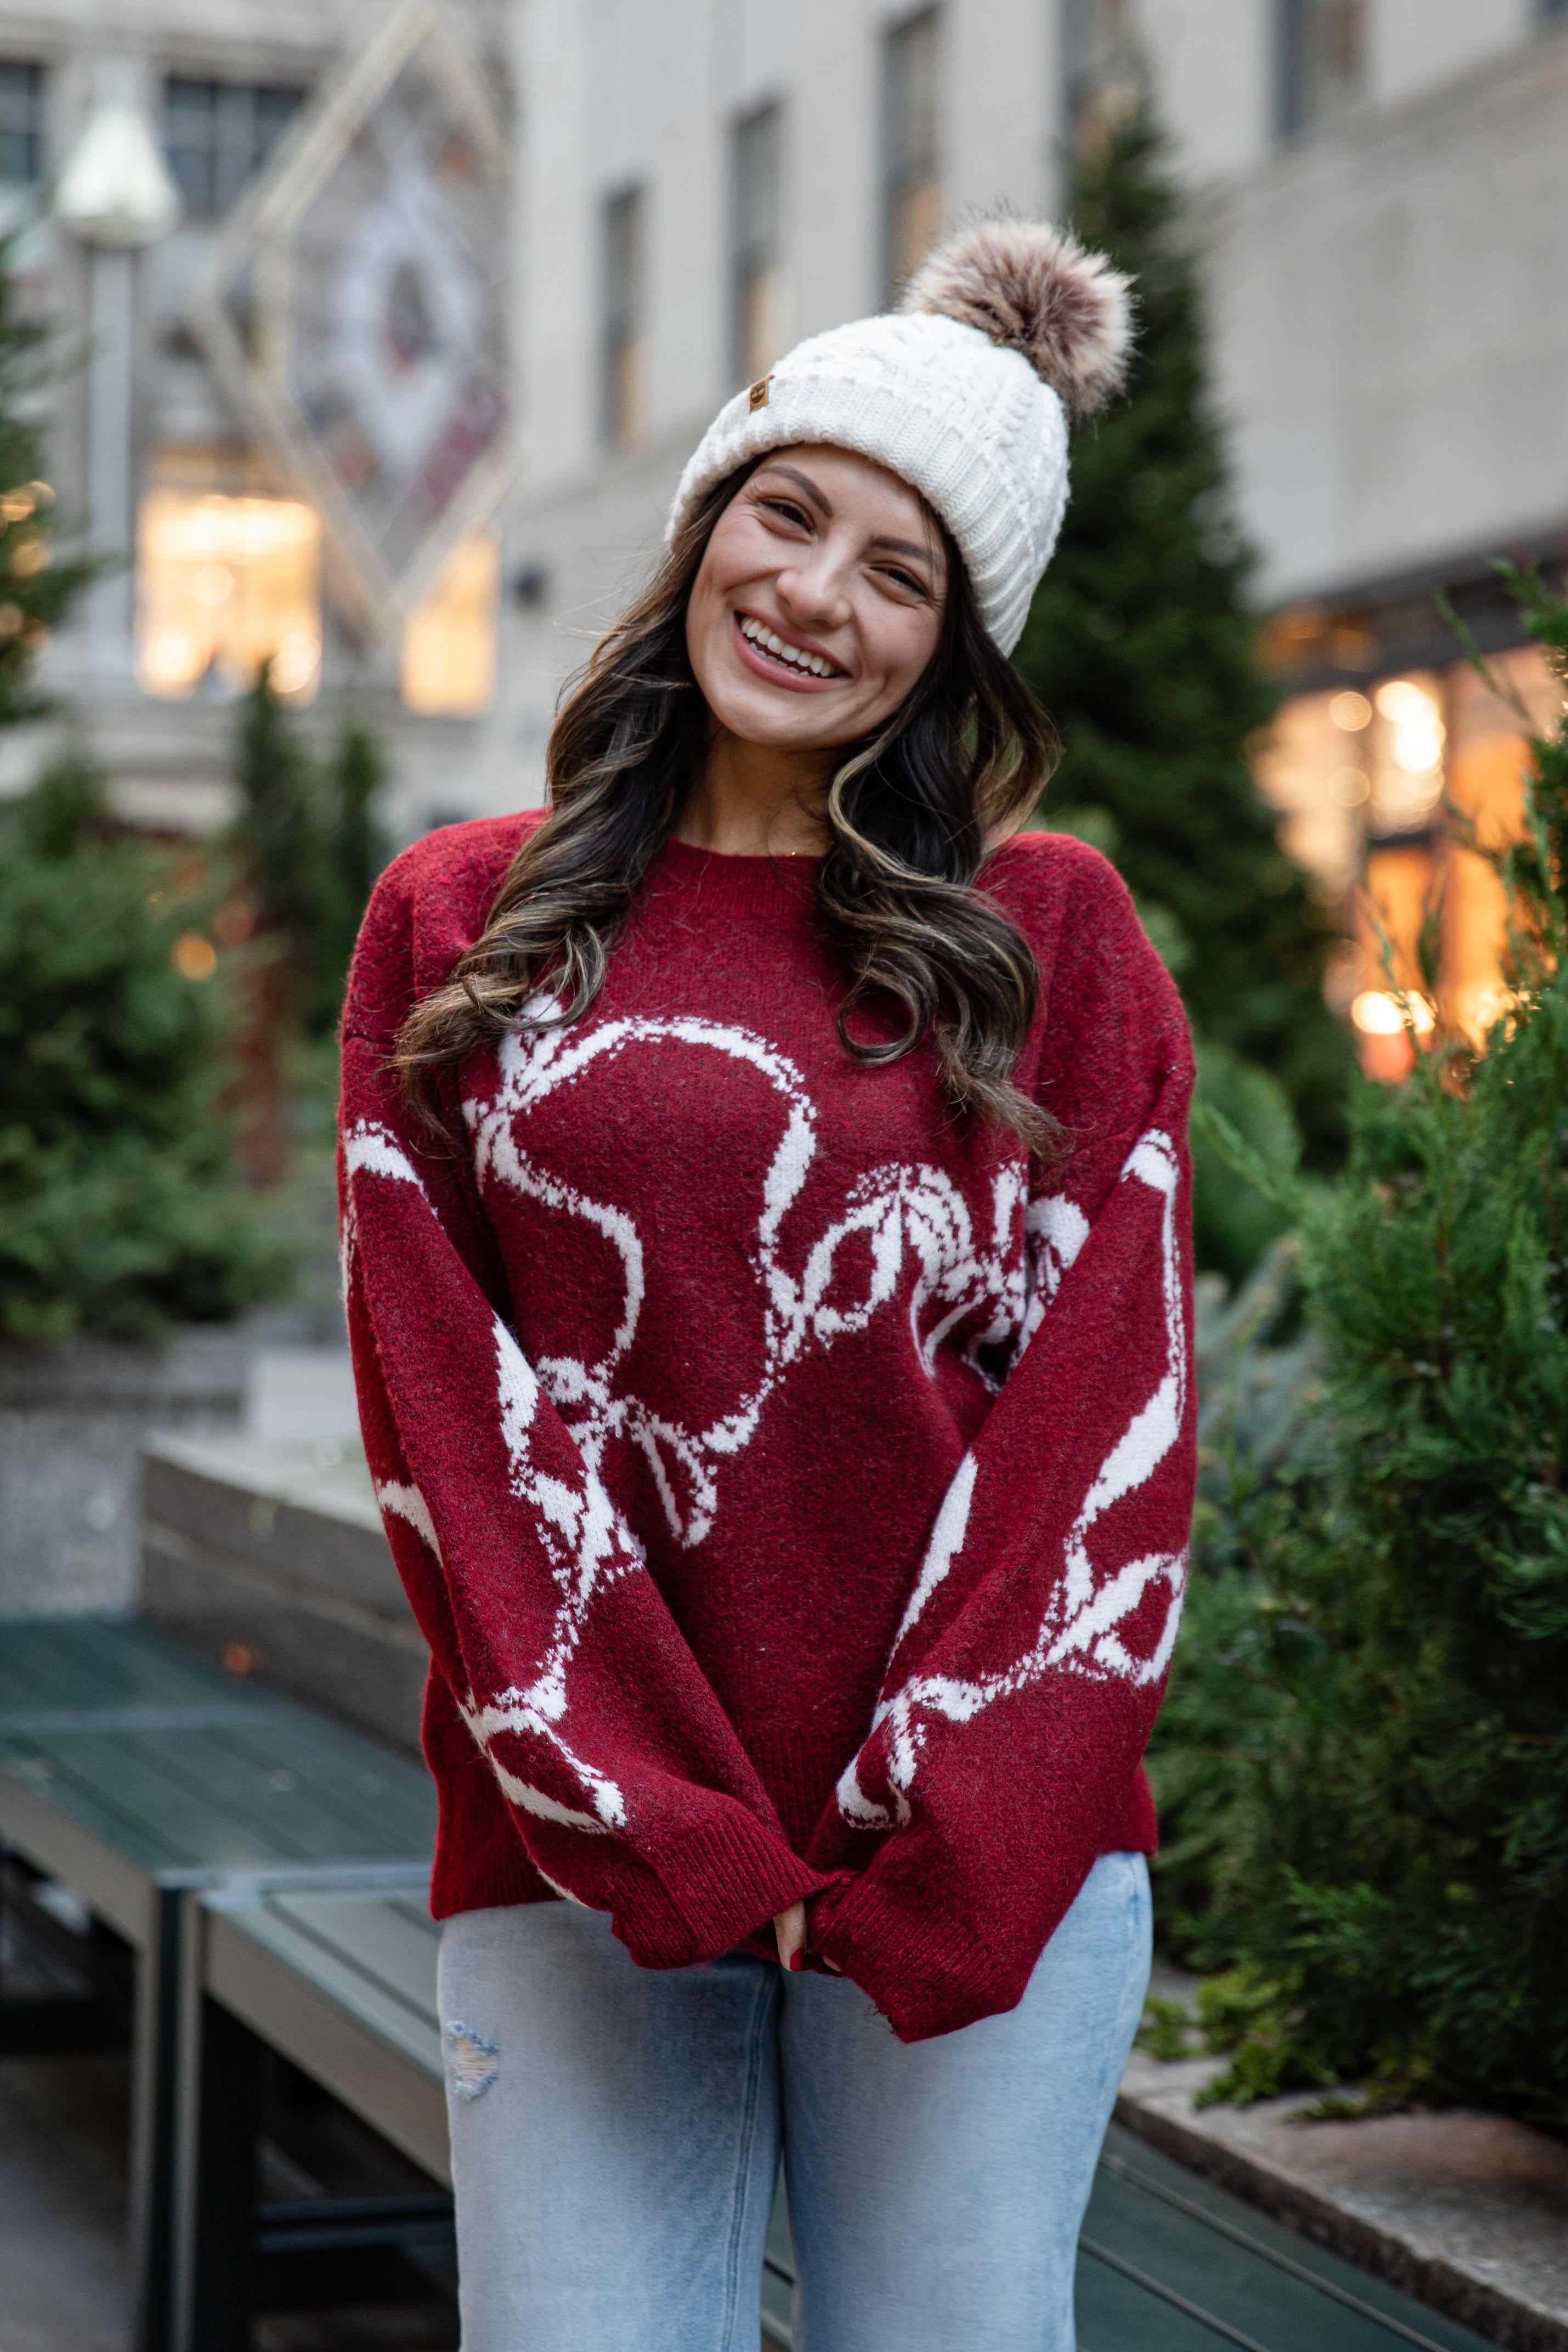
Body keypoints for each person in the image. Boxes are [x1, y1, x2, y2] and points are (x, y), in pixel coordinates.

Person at [340, 216, 1196, 2352]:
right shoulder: (459, 926)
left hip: (976, 1859)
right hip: (574, 1833)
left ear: (952, 647)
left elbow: (1104, 1421)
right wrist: (662, 1818)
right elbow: (441, 1398)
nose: (815, 592)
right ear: (704, 522)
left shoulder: (1048, 936)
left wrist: (942, 1819)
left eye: (897, 571)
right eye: (785, 514)